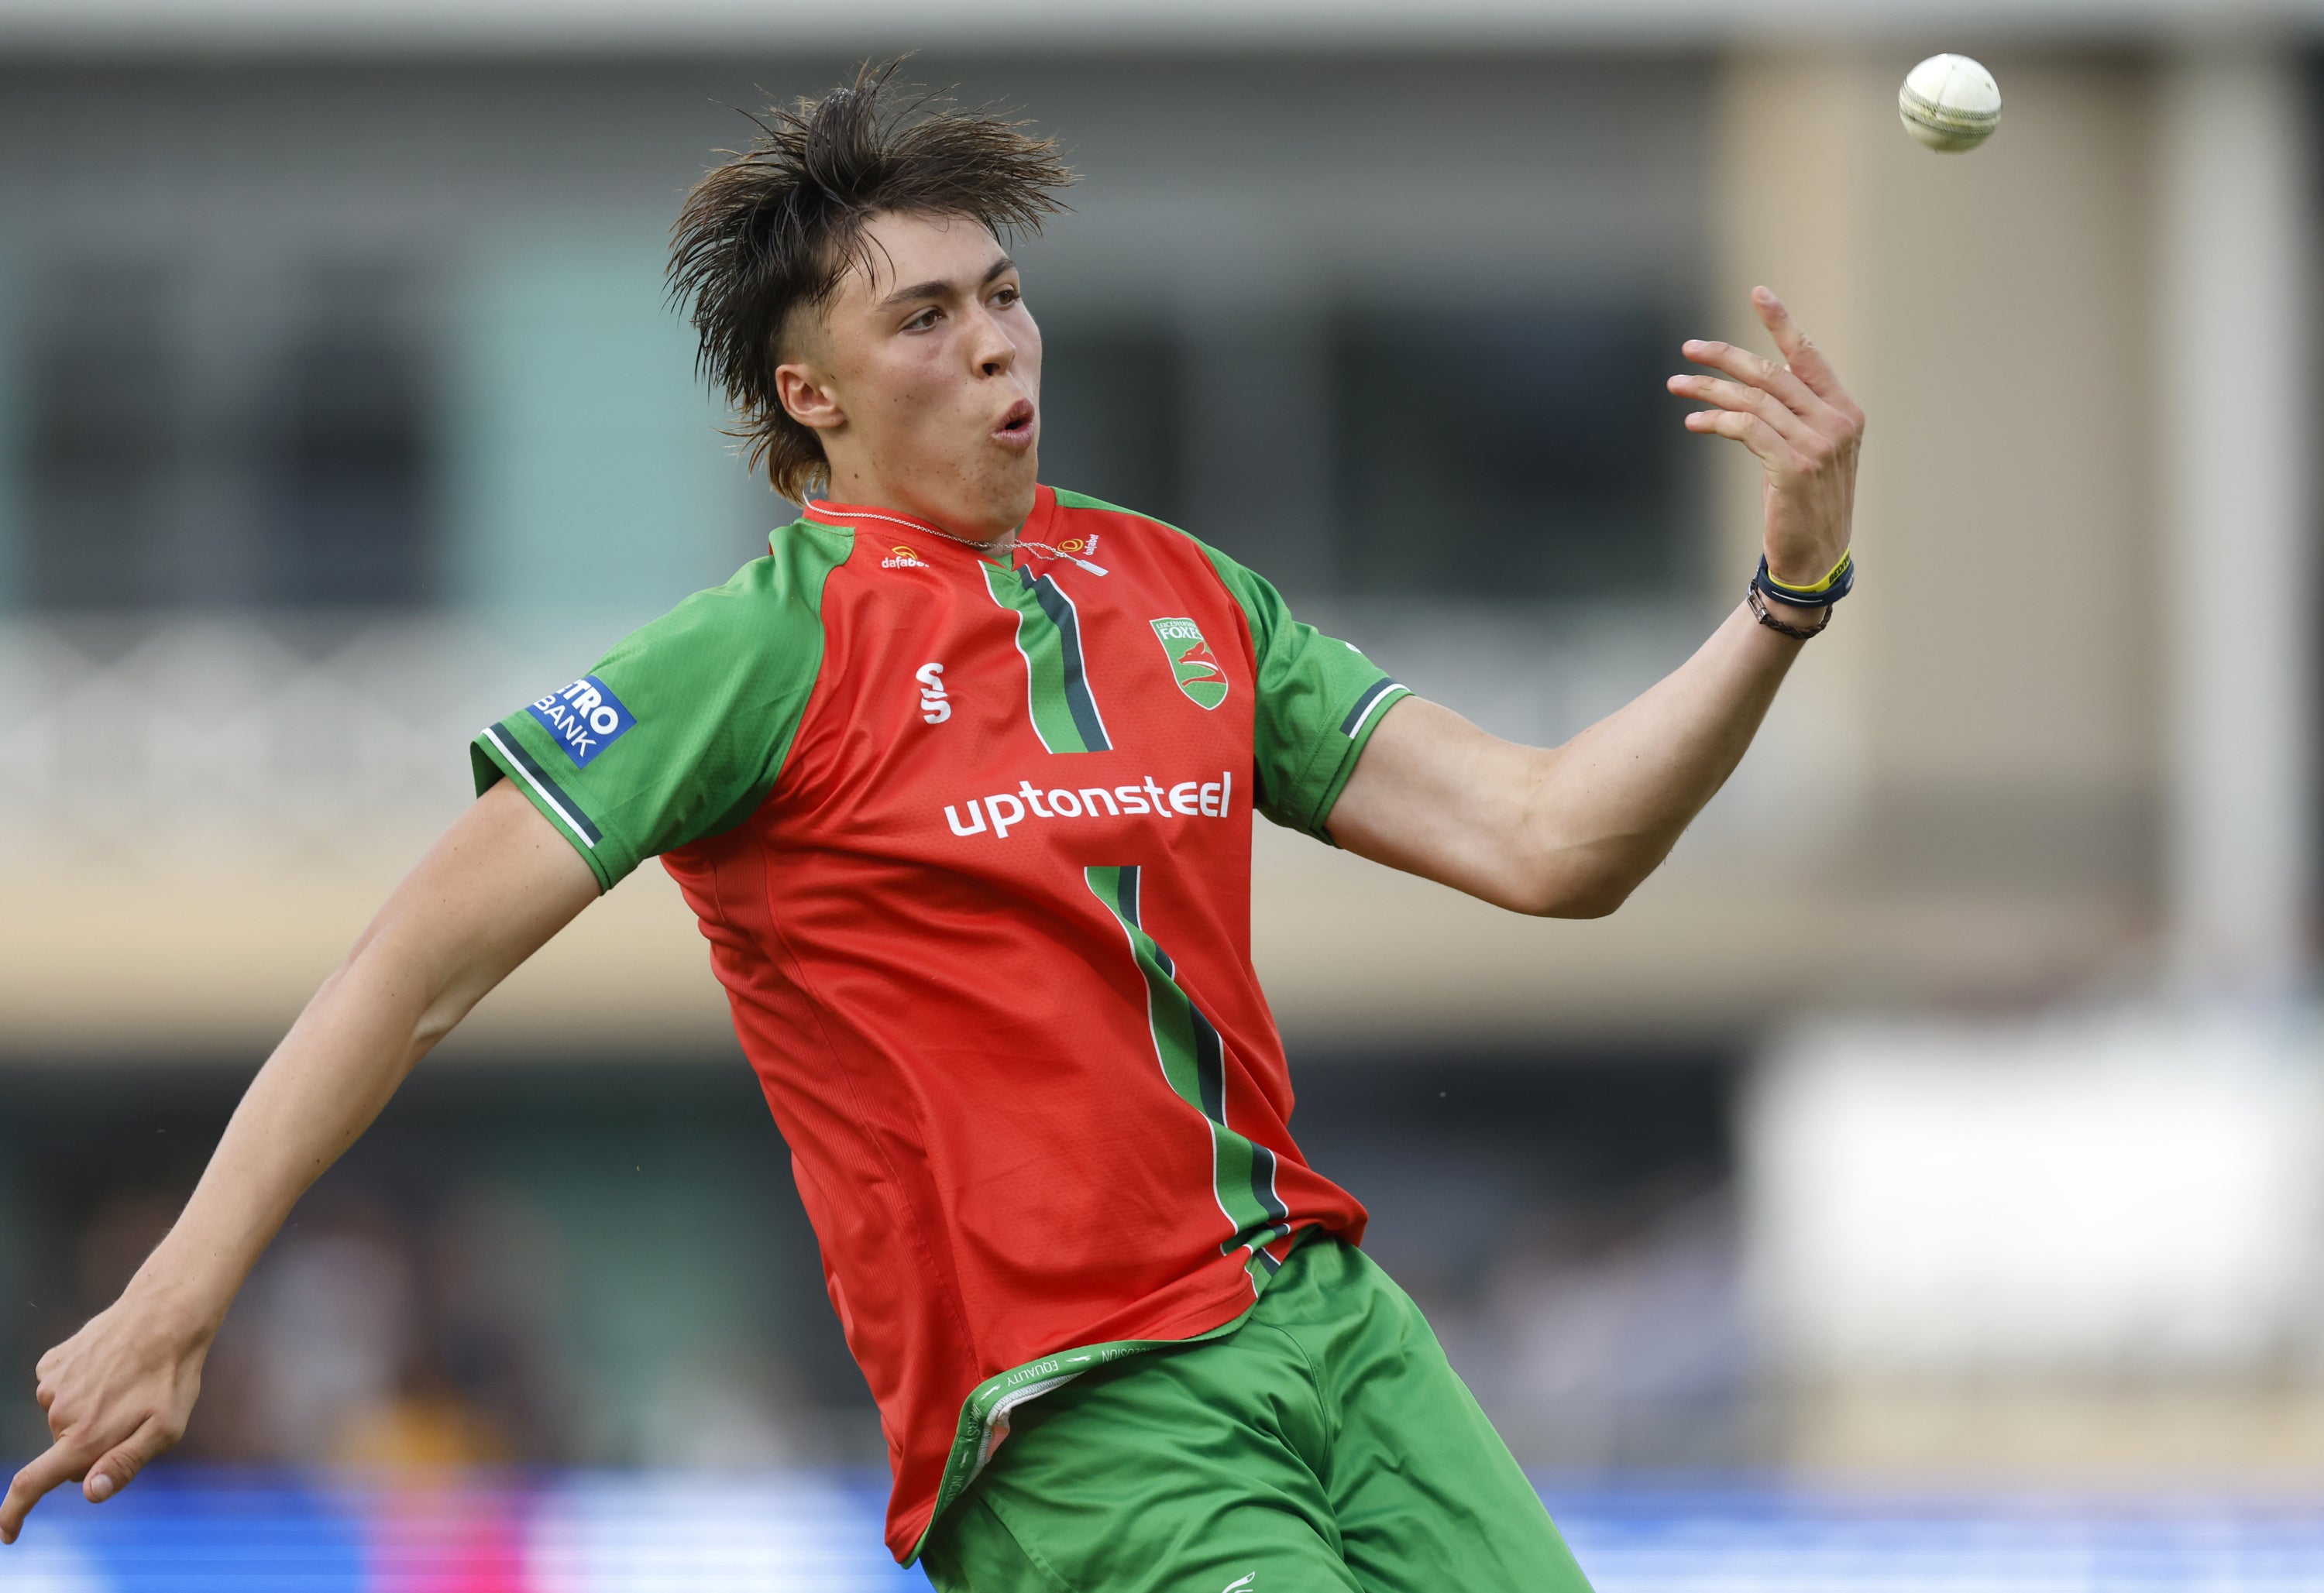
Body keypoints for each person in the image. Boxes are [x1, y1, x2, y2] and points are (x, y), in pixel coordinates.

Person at [2, 63, 1862, 1591]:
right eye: (926, 317)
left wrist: (1788, 591)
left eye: (1004, 296)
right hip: (1075, 1416)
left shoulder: (1178, 593)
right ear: (811, 396)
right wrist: (180, 1295)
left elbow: (1554, 844)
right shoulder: (752, 653)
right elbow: (408, 971)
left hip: (1340, 1331)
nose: (995, 346)